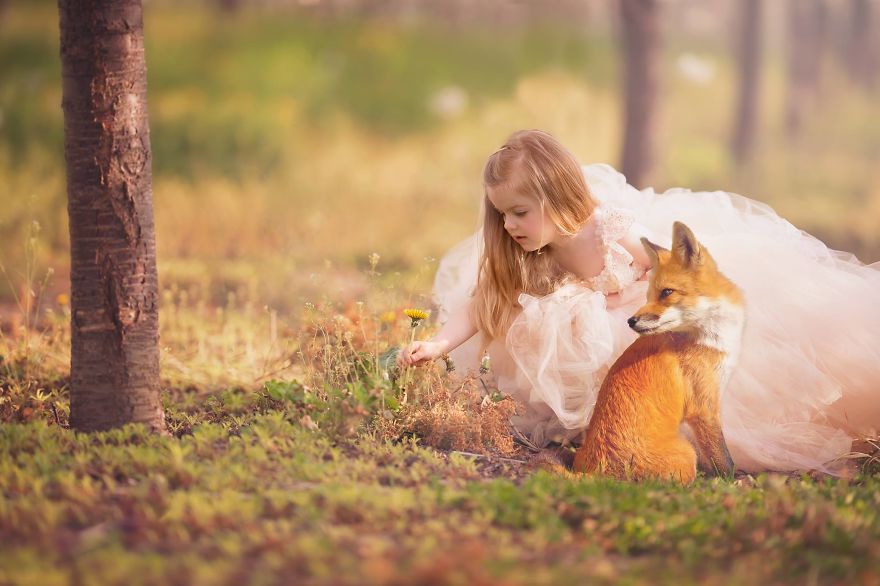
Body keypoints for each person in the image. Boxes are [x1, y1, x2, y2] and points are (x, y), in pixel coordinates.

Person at [398, 129, 880, 474]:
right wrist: (438, 345)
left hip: (635, 310)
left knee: (627, 340)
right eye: (502, 215)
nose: (509, 227)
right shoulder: (522, 252)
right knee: (573, 333)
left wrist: (631, 306)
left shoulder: (606, 226)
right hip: (584, 331)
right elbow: (479, 304)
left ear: (557, 198)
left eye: (519, 213)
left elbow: (664, 265)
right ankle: (602, 428)